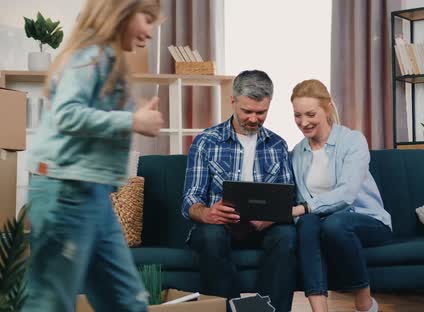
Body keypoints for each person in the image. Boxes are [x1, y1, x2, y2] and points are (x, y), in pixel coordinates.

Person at [22, 1, 163, 312]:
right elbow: (67, 115)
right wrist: (132, 121)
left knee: (127, 301)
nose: (151, 32)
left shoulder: (111, 63)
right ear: (121, 12)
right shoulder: (88, 58)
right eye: (147, 19)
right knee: (51, 302)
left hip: (94, 195)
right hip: (66, 192)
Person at [182, 70, 296, 312]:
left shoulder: (278, 145)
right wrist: (207, 214)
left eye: (261, 112)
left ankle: (269, 310)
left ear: (269, 106)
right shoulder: (207, 141)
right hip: (219, 228)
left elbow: (288, 199)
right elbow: (190, 198)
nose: (254, 119)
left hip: (263, 228)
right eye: (247, 111)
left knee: (286, 236)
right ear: (232, 101)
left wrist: (268, 219)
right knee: (211, 236)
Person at [290, 79, 393, 312]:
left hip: (367, 221)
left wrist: (305, 208)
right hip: (322, 225)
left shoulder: (353, 141)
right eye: (297, 115)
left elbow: (346, 194)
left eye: (310, 114)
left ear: (327, 108)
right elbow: (298, 198)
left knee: (333, 223)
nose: (303, 122)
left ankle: (365, 301)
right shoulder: (298, 153)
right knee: (307, 224)